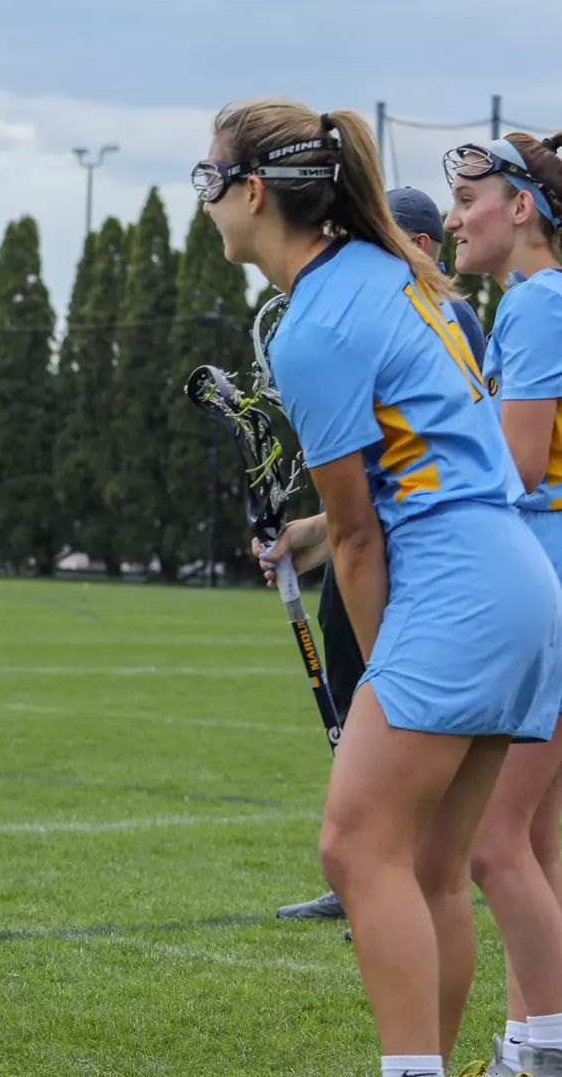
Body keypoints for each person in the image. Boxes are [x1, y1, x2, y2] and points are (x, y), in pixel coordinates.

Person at [203, 99, 562, 1077]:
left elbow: (357, 535)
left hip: (459, 582)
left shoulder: (314, 320)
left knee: (356, 849)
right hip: (519, 577)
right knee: (437, 864)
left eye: (209, 181)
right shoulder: (392, 270)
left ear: (253, 191)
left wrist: (374, 669)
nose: (205, 204)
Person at [276, 187, 490, 926]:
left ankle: (397, 866)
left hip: (429, 563)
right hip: (408, 551)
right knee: (352, 687)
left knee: (476, 831)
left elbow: (416, 491)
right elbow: (375, 487)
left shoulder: (438, 312)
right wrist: (310, 531)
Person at [442, 130, 562, 1077]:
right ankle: (527, 1045)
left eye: (468, 197)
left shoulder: (539, 301)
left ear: (521, 207)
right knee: (536, 843)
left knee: (490, 844)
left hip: (545, 585)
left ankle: (547, 1049)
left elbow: (517, 466)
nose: (452, 218)